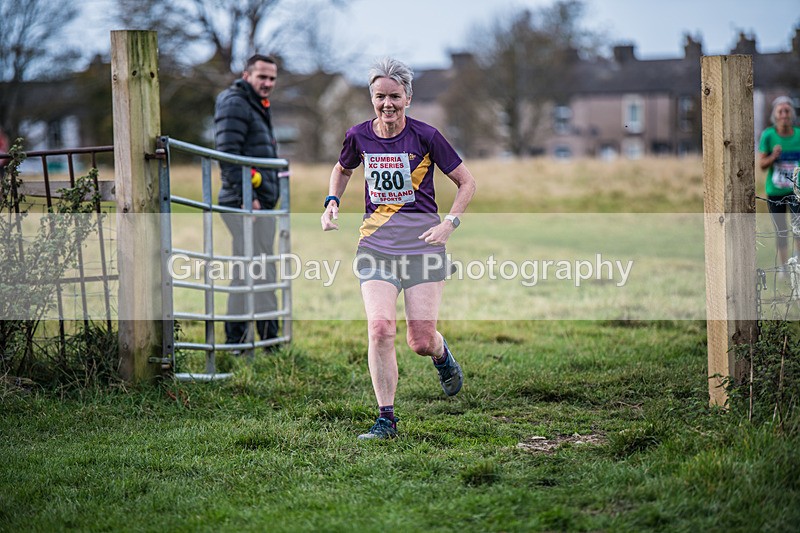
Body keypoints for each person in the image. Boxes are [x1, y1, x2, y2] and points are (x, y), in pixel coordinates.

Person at [320, 57, 477, 440]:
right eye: (379, 97)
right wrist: (331, 201)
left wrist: (448, 224)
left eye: (394, 96)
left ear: (407, 97)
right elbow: (342, 169)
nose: (387, 104)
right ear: (371, 98)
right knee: (380, 328)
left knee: (420, 340)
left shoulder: (427, 136)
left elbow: (467, 183)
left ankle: (442, 356)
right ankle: (386, 419)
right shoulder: (358, 135)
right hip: (376, 246)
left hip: (423, 247)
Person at [214, 54, 281, 349]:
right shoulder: (235, 103)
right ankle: (243, 343)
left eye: (272, 78)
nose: (267, 83)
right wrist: (247, 198)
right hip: (244, 204)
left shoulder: (254, 103)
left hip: (259, 203)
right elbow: (228, 153)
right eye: (262, 77)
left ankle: (263, 340)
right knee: (250, 271)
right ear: (247, 75)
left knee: (259, 268)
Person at [759, 96, 800, 270]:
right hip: (775, 191)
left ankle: (797, 265)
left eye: (787, 111)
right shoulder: (768, 135)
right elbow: (761, 165)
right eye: (780, 111)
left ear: (792, 114)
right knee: (781, 230)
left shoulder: (798, 135)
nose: (784, 114)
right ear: (774, 116)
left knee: (798, 229)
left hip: (796, 191)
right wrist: (773, 156)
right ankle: (783, 268)